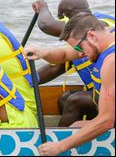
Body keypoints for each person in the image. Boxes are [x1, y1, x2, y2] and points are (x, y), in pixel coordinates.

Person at [24, 12, 115, 155]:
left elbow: (107, 120)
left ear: (91, 35)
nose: (79, 55)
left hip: (109, 120)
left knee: (74, 132)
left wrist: (60, 147)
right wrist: (42, 52)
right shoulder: (106, 35)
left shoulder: (111, 61)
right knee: (76, 126)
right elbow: (64, 55)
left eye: (79, 48)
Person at [32, 0, 115, 126]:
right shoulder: (86, 43)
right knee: (64, 98)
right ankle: (67, 136)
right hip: (101, 95)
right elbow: (60, 62)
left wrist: (43, 7)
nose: (81, 53)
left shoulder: (97, 26)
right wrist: (27, 80)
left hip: (110, 102)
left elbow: (46, 24)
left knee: (75, 101)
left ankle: (60, 141)